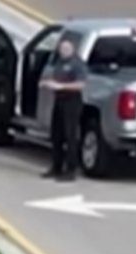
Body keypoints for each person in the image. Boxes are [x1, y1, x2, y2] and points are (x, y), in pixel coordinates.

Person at [43, 38, 89, 180]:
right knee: (56, 135)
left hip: (72, 101)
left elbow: (81, 84)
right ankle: (56, 167)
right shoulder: (59, 62)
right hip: (60, 100)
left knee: (71, 136)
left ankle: (71, 170)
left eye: (67, 48)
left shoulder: (77, 64)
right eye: (62, 48)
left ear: (73, 49)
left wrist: (61, 86)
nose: (64, 51)